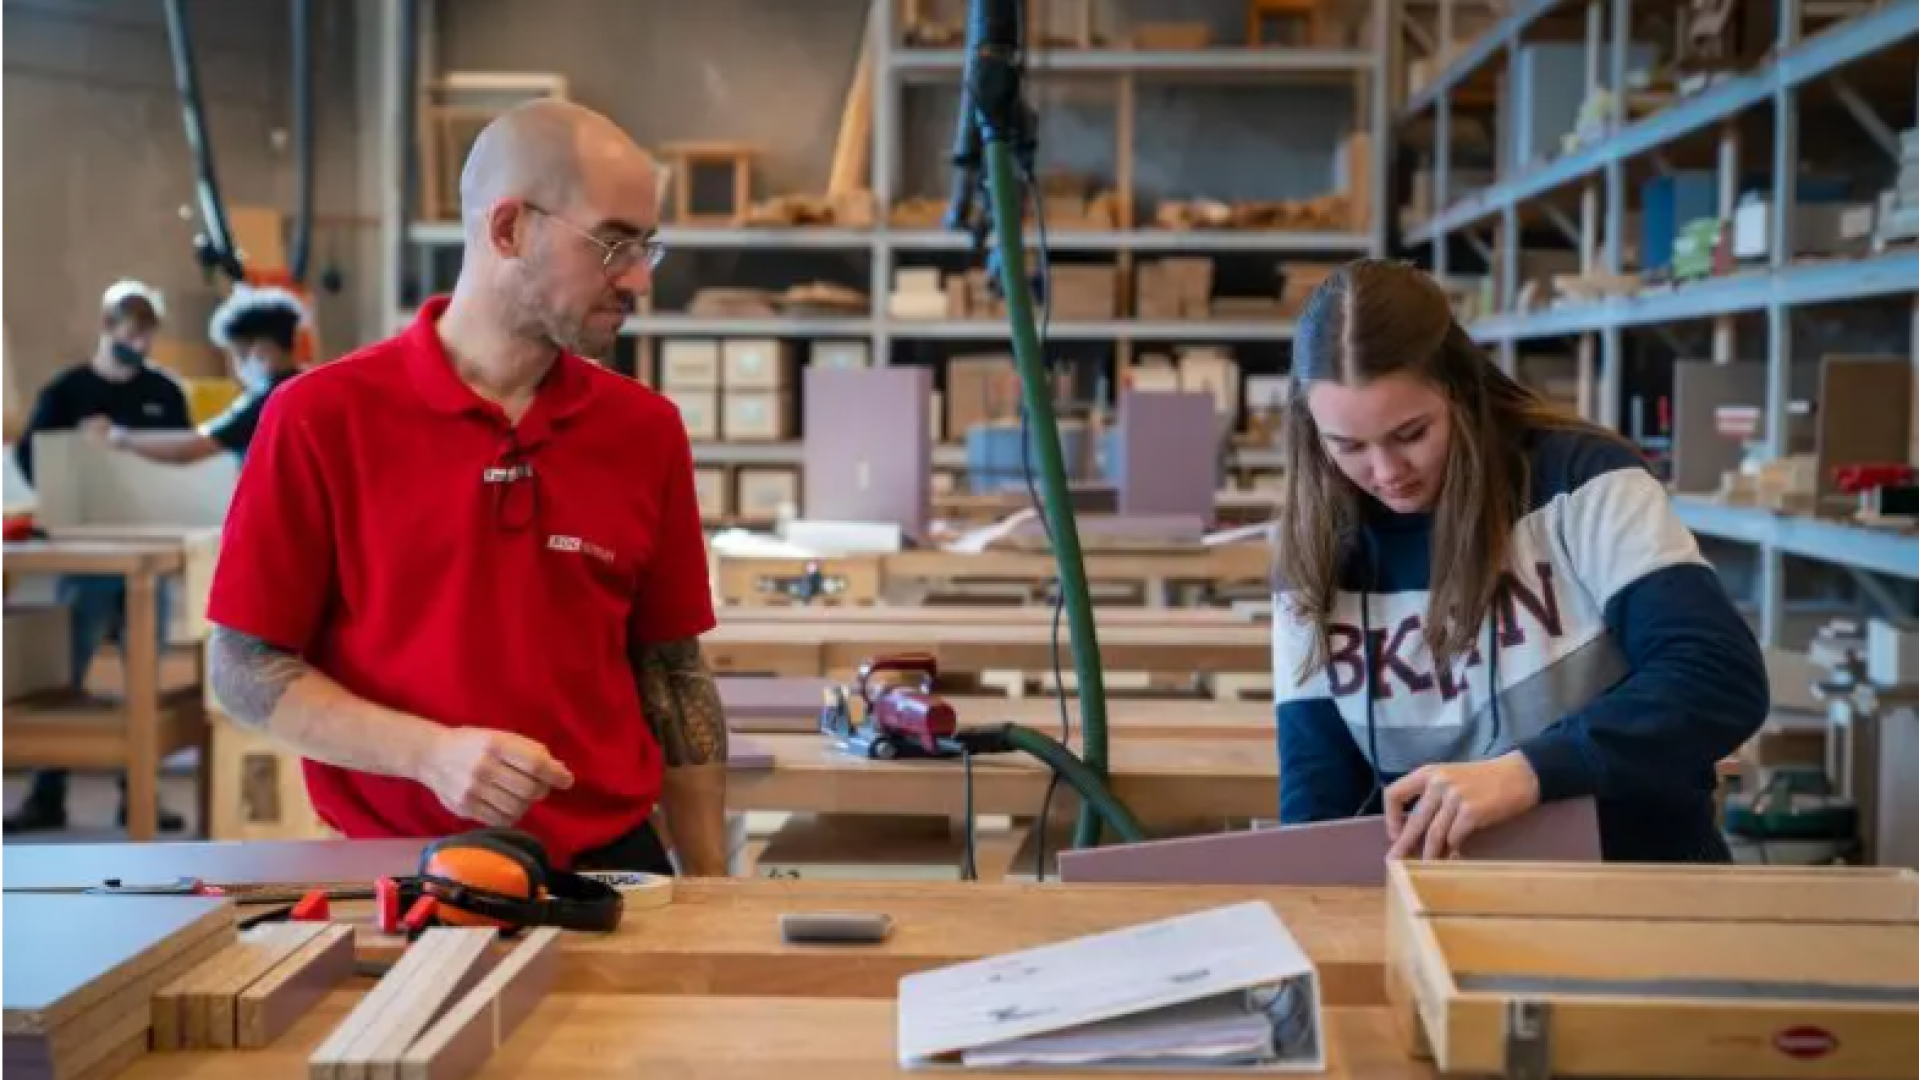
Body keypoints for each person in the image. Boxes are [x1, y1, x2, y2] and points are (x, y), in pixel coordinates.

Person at [203, 99, 729, 876]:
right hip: (393, 869)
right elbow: (242, 667)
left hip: (608, 870)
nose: (639, 279)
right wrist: (430, 755)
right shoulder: (321, 418)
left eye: (647, 247)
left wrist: (714, 889)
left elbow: (672, 672)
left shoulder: (644, 432)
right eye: (614, 243)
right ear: (508, 228)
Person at [1270, 259, 1767, 864]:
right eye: (1347, 446)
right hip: (1440, 911)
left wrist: (1530, 772)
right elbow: (1319, 800)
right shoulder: (1314, 549)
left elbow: (1716, 676)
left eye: (1411, 433)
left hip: (1634, 883)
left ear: (1459, 389)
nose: (1385, 472)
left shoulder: (1584, 483)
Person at [6, 281, 192, 835]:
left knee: (146, 673)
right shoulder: (68, 391)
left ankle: (141, 795)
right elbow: (31, 453)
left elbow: (183, 458)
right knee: (71, 671)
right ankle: (47, 793)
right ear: (108, 329)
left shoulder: (165, 392)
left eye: (147, 334)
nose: (140, 343)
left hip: (145, 554)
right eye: (130, 333)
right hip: (84, 557)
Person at [102, 285, 307, 465]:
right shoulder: (310, 388)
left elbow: (189, 448)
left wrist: (122, 437)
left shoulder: (268, 402)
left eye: (238, 354)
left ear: (261, 350)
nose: (237, 368)